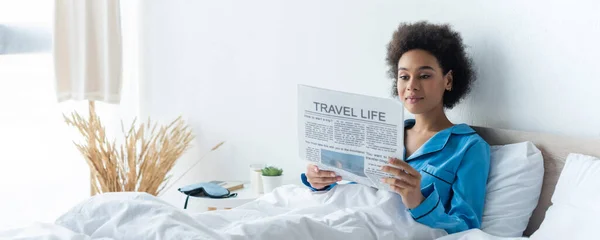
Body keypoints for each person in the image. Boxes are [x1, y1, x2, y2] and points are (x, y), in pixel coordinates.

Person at [300, 21, 491, 234]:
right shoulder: (380, 131)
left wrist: (419, 202)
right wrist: (320, 180)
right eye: (404, 76)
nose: (411, 85)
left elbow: (467, 227)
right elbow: (355, 186)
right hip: (342, 218)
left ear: (448, 80)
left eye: (424, 75)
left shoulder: (468, 147)